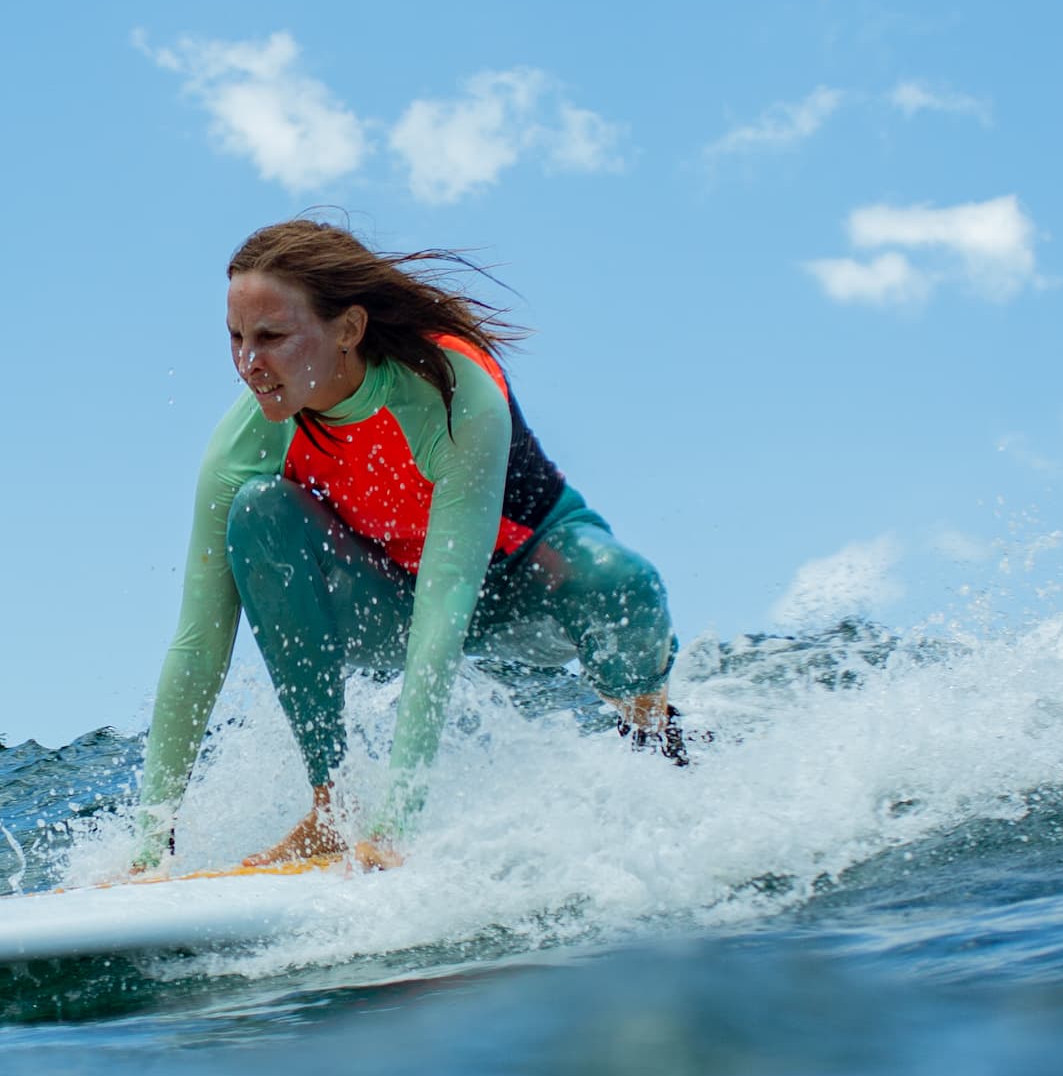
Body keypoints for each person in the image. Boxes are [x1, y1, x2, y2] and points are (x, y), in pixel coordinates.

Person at [130, 218, 681, 874]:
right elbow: (197, 645)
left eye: (272, 336)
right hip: (389, 600)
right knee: (258, 513)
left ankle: (658, 752)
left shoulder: (450, 391)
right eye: (237, 338)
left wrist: (398, 827)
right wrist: (145, 852)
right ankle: (332, 813)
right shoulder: (247, 442)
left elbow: (444, 616)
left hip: (526, 582)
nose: (250, 362)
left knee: (623, 581)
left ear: (348, 329)